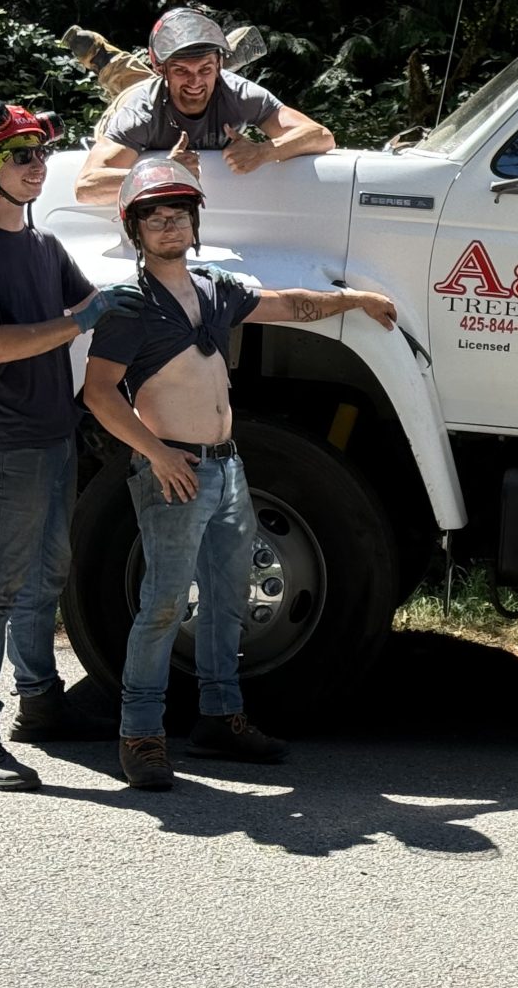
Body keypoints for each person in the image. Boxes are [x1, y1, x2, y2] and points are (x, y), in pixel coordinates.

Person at [81, 157, 398, 790]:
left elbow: (286, 303)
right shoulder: (128, 309)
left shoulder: (214, 288)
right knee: (165, 603)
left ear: (195, 223)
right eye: (154, 216)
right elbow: (99, 394)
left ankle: (220, 718)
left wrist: (354, 300)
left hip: (226, 469)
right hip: (175, 470)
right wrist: (159, 454)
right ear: (135, 229)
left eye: (178, 213)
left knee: (227, 598)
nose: (168, 224)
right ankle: (140, 734)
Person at [0, 98, 143, 790]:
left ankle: (41, 707)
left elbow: (101, 310)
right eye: (21, 156)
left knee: (47, 575)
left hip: (56, 440)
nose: (37, 167)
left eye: (40, 153)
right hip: (7, 446)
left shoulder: (44, 246)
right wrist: (80, 318)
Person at [72, 8, 332, 204]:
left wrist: (264, 151)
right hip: (132, 102)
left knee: (187, 85)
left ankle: (195, 64)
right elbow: (86, 186)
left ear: (218, 66)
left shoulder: (239, 93)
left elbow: (321, 136)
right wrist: (165, 173)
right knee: (137, 86)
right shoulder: (138, 113)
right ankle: (105, 60)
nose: (195, 80)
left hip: (177, 86)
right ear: (162, 69)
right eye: (182, 69)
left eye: (206, 68)